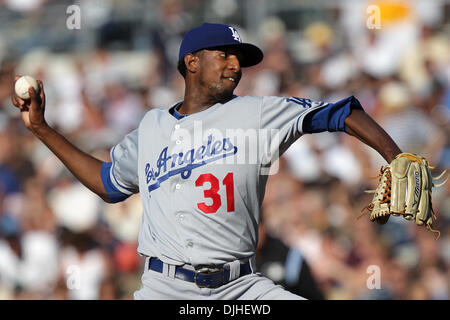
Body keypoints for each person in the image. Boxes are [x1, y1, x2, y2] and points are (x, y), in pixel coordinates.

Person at [11, 22, 403, 300]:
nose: (235, 65)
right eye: (224, 55)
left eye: (239, 58)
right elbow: (107, 184)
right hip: (165, 288)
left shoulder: (258, 113)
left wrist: (395, 157)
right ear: (192, 62)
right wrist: (43, 130)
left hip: (241, 287)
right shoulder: (150, 128)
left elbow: (339, 112)